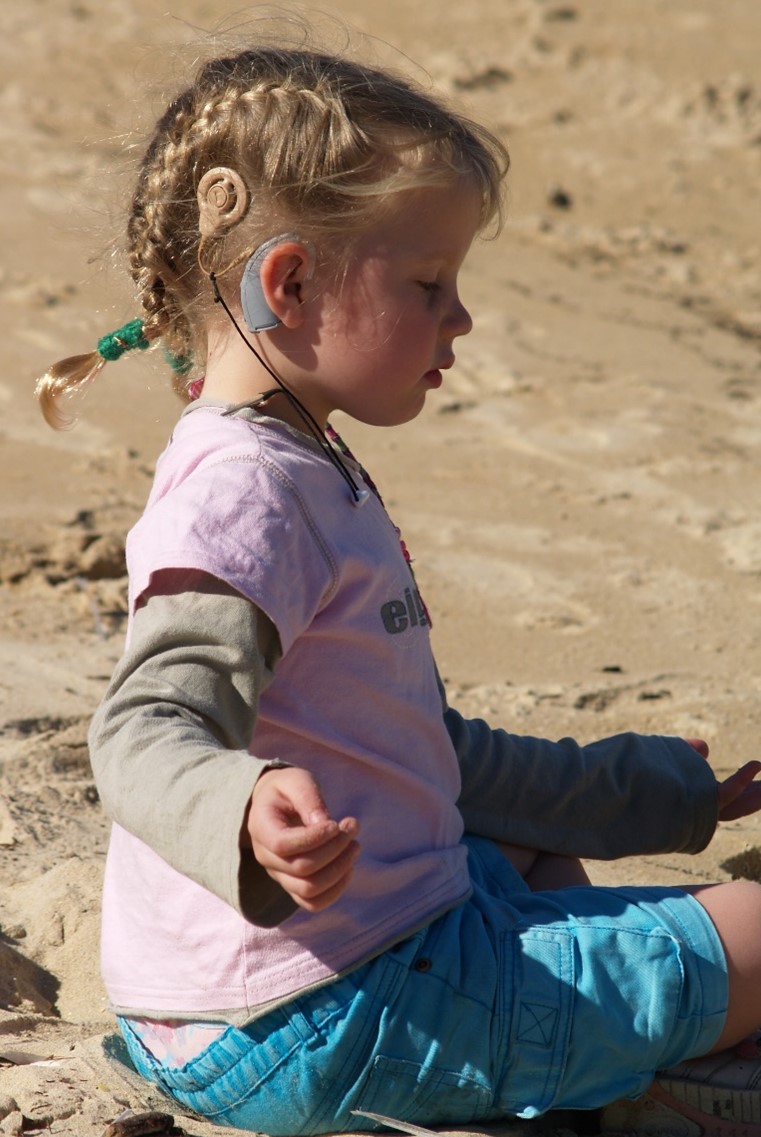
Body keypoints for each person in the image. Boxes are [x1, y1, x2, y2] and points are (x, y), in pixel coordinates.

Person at [36, 32, 761, 1137]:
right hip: (318, 1016)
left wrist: (663, 796)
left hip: (210, 1014)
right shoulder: (247, 494)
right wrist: (239, 811)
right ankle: (641, 1071)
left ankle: (614, 1042)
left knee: (521, 850)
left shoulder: (291, 457)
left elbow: (421, 752)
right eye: (428, 284)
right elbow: (141, 728)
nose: (458, 318)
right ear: (287, 283)